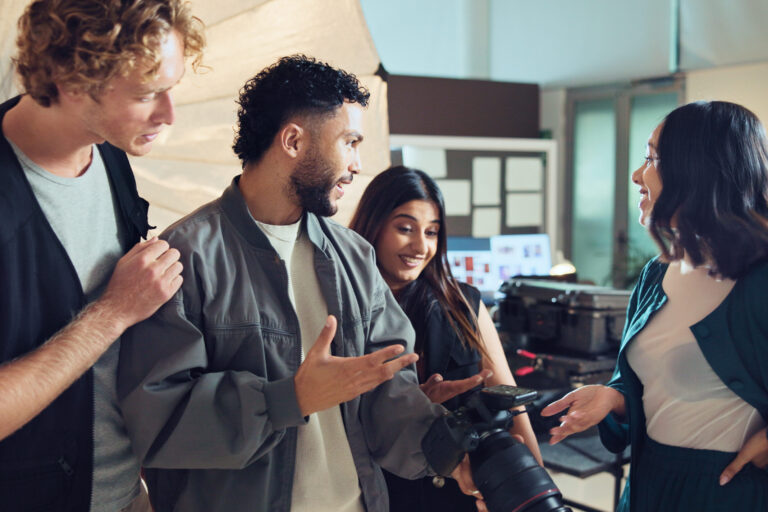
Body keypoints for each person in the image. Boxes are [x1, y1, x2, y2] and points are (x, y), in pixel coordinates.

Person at [116, 55, 454, 512]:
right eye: (350, 142)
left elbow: (387, 394)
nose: (356, 164)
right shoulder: (185, 256)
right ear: (293, 140)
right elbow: (158, 423)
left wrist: (451, 451)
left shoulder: (354, 256)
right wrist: (287, 399)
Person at [0, 1, 204, 510]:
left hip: (129, 493)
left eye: (171, 88)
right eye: (147, 93)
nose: (169, 114)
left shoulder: (112, 152)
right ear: (73, 81)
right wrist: (112, 312)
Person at [541, 101, 768, 511]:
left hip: (726, 491)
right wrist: (613, 397)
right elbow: (650, 385)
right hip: (647, 484)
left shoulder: (758, 277)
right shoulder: (656, 274)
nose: (636, 175)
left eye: (651, 159)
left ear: (698, 169)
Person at [349, 165, 542, 512]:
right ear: (374, 226)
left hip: (462, 490)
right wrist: (415, 410)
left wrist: (536, 480)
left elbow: (510, 400)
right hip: (382, 490)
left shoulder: (464, 302)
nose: (421, 246)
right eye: (405, 228)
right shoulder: (346, 309)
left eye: (432, 232)